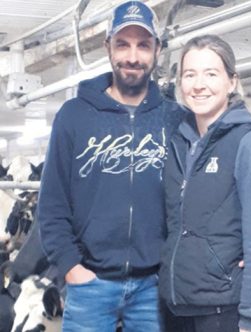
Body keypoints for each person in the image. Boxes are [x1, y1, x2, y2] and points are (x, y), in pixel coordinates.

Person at [37, 1, 183, 331]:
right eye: (123, 44)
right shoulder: (73, 116)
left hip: (153, 288)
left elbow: (198, 201)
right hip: (90, 284)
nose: (133, 56)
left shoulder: (175, 119)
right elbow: (52, 204)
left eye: (143, 45)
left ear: (157, 50)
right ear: (107, 48)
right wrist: (70, 266)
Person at [159, 35, 251, 332]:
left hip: (224, 311)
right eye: (190, 75)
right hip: (174, 306)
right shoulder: (177, 142)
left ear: (232, 81)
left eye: (211, 74)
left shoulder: (250, 144)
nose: (199, 85)